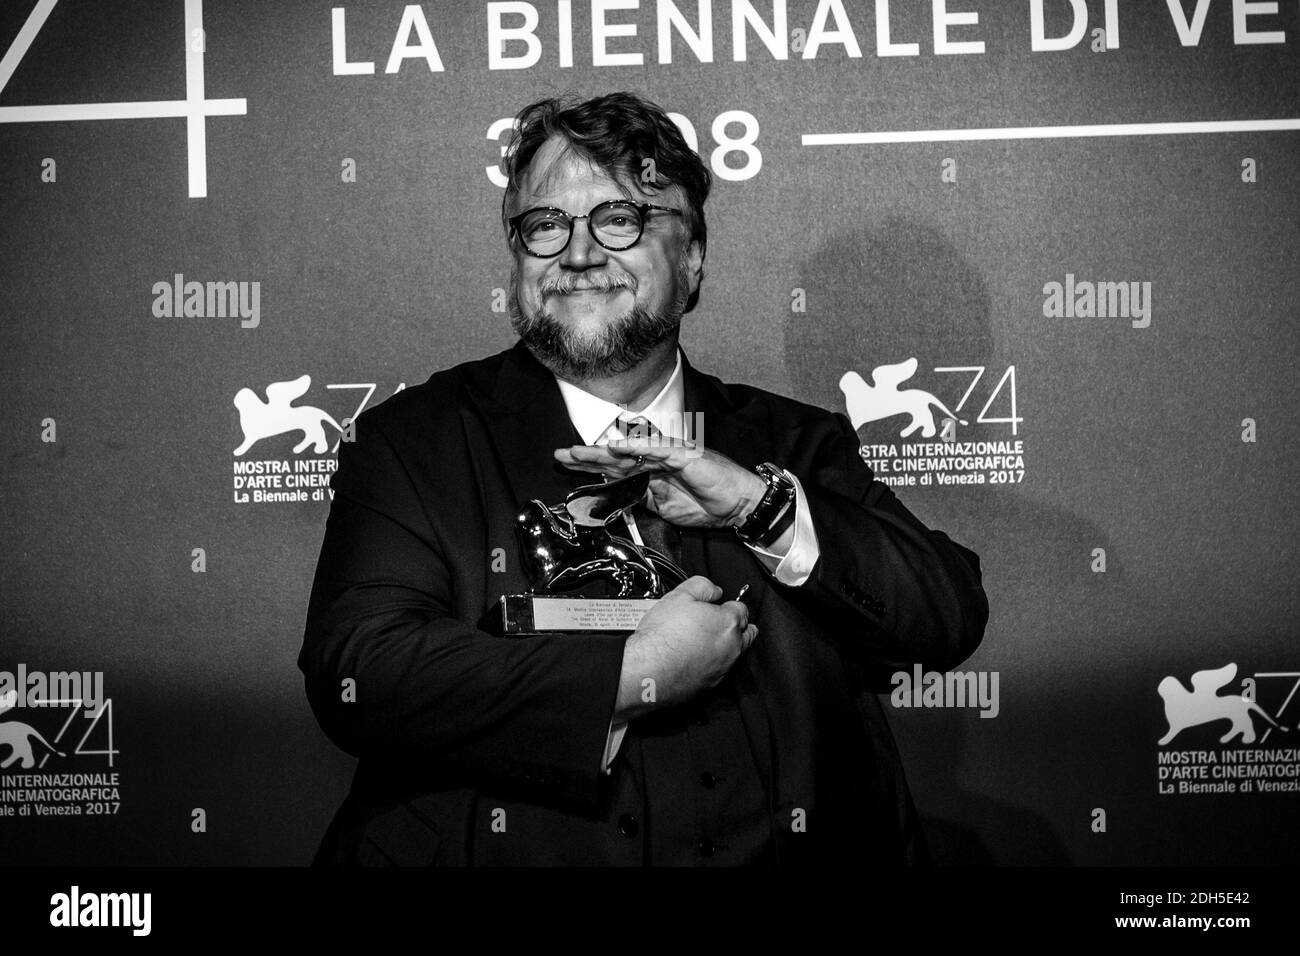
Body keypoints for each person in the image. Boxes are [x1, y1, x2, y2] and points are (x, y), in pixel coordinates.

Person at [299, 91, 988, 866]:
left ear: (691, 257)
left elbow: (946, 615)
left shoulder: (792, 441)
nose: (579, 253)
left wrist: (760, 510)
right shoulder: (417, 442)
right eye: (545, 226)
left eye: (620, 219)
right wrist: (629, 676)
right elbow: (360, 670)